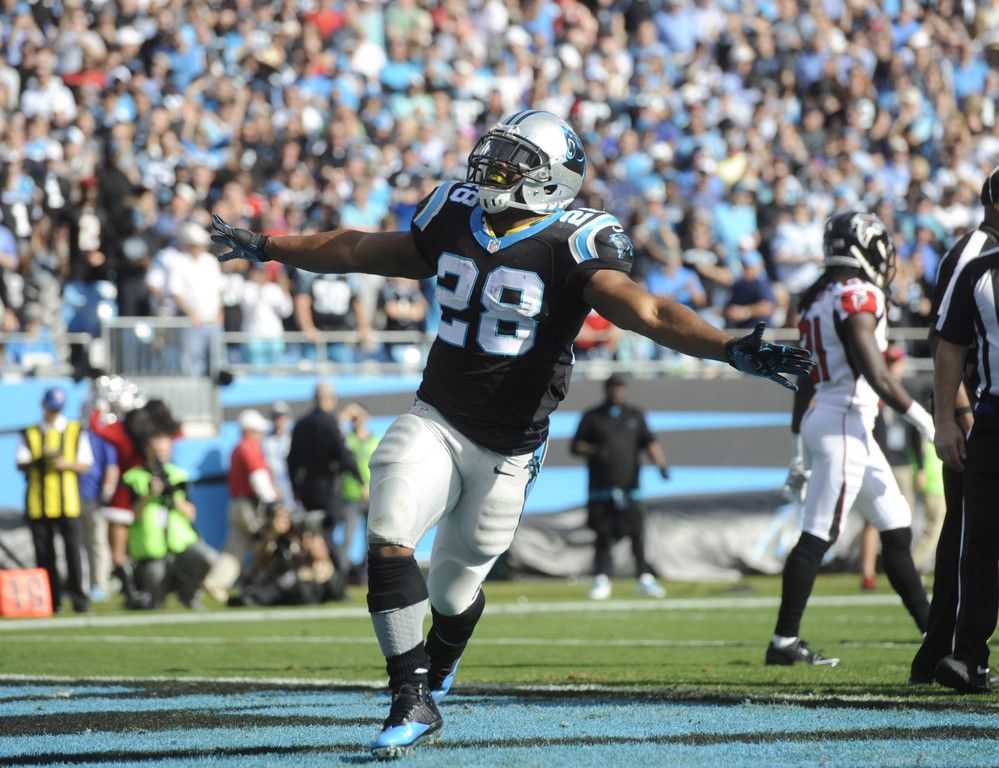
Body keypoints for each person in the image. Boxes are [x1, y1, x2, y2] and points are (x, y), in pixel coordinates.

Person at [211, 110, 813, 757]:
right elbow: (355, 249)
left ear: (550, 180)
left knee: (453, 592)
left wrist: (727, 348)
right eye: (495, 153)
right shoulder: (452, 212)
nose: (491, 167)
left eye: (512, 161)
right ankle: (409, 696)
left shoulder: (575, 242)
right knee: (388, 528)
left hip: (510, 447)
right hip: (437, 416)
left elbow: (648, 311)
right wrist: (269, 246)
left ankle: (439, 667)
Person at [775, 211, 934, 666]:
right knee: (818, 533)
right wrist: (927, 421)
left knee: (896, 526)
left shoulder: (817, 298)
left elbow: (804, 378)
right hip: (844, 419)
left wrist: (798, 444)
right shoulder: (856, 294)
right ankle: (783, 641)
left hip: (833, 419)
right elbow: (875, 371)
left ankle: (934, 633)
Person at [910, 167, 999, 689]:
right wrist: (957, 415)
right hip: (979, 413)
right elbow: (945, 339)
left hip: (975, 408)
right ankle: (945, 651)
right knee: (969, 538)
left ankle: (940, 652)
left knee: (968, 538)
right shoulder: (974, 256)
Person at [571, 374, 670, 601]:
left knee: (637, 533)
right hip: (601, 488)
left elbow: (649, 442)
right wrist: (595, 451)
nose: (617, 391)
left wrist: (661, 465)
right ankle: (601, 578)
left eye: (620, 387)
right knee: (602, 534)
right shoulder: (592, 416)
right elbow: (576, 446)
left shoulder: (635, 415)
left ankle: (644, 578)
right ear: (606, 389)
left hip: (630, 487)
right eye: (613, 387)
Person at [16, 386, 94, 613]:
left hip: (68, 502)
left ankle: (80, 599)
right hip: (38, 503)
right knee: (44, 554)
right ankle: (51, 600)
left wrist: (66, 464)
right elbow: (21, 462)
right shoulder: (30, 432)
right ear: (43, 405)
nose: (53, 413)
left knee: (73, 552)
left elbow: (86, 464)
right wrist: (40, 461)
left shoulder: (75, 430)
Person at [121, 430, 217, 610]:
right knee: (156, 602)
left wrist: (174, 495)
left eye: (164, 451)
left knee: (207, 558)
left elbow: (191, 514)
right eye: (157, 451)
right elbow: (131, 515)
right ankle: (142, 599)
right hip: (151, 547)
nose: (160, 456)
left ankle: (188, 595)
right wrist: (149, 494)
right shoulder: (134, 477)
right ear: (147, 451)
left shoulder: (178, 475)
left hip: (180, 542)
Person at [860, 345, 923, 591]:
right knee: (872, 521)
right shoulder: (874, 391)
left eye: (897, 363)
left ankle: (902, 570)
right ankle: (868, 573)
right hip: (878, 461)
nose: (894, 368)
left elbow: (915, 433)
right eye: (890, 363)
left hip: (903, 463)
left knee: (902, 519)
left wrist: (919, 465)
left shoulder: (907, 391)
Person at [203, 409, 281, 603]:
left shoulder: (237, 448)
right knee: (266, 542)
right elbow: (258, 477)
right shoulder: (249, 448)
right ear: (250, 430)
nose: (262, 436)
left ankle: (217, 581)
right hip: (249, 507)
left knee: (235, 548)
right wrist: (273, 502)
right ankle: (260, 583)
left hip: (236, 505)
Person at [287, 382, 362, 577]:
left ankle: (320, 574)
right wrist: (360, 480)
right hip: (327, 488)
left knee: (314, 532)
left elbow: (292, 459)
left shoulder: (301, 424)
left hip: (306, 488)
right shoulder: (330, 423)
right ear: (331, 399)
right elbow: (343, 455)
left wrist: (295, 487)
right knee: (326, 531)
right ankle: (338, 572)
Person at [339, 402, 379, 582]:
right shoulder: (347, 439)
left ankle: (365, 576)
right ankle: (342, 576)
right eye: (354, 418)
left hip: (372, 496)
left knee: (371, 540)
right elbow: (337, 426)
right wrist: (348, 412)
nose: (357, 420)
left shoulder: (375, 440)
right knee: (347, 538)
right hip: (351, 496)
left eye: (360, 416)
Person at [263, 400, 295, 509]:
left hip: (292, 491)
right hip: (275, 491)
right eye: (276, 416)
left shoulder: (293, 439)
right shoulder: (266, 442)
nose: (279, 419)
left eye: (281, 416)